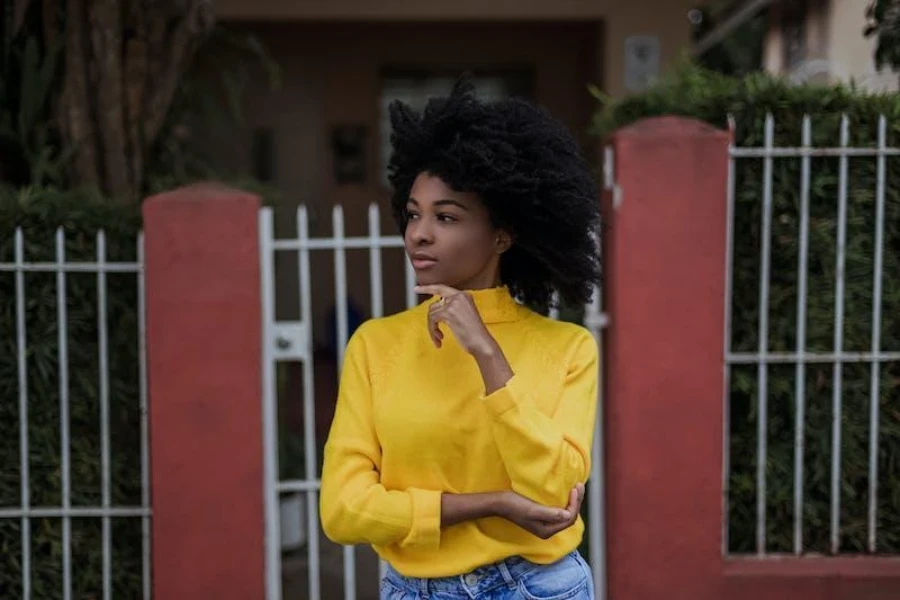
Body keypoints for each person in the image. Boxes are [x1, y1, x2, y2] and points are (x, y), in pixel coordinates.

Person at [320, 79, 601, 600]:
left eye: (446, 216)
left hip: (538, 587)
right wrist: (490, 504)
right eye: (413, 214)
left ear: (502, 236)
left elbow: (554, 494)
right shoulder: (375, 346)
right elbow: (342, 510)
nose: (418, 233)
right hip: (414, 589)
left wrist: (487, 354)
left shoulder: (568, 349)